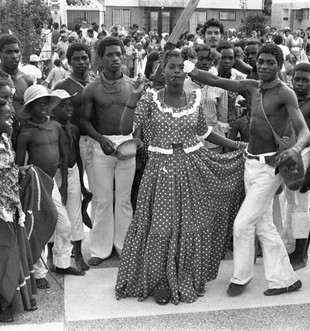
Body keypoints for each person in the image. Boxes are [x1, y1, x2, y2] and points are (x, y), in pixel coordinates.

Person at [115, 50, 246, 304]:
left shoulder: (195, 98)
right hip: (160, 172)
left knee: (189, 225)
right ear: (162, 71)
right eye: (171, 67)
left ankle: (184, 275)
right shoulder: (150, 98)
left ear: (186, 71)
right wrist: (133, 96)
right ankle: (161, 280)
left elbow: (203, 132)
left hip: (191, 168)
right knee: (162, 227)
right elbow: (124, 129)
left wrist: (233, 145)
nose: (176, 71)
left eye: (179, 67)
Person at [185, 43, 310, 296]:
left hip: (271, 167)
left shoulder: (285, 93)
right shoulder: (252, 86)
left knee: (242, 224)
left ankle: (240, 278)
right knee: (263, 225)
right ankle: (284, 279)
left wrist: (296, 149)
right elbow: (216, 80)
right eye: (260, 62)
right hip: (250, 162)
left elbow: (304, 131)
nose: (263, 66)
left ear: (279, 65)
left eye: (270, 63)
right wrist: (187, 66)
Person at [15, 85, 85, 289]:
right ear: (30, 108)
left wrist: (62, 185)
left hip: (52, 182)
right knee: (39, 226)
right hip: (36, 183)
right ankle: (38, 273)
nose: (44, 107)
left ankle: (62, 263)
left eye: (46, 103)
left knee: (64, 224)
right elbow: (20, 165)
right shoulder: (26, 133)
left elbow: (63, 156)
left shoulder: (55, 127)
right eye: (38, 104)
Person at [0, 96, 38, 322]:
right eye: (6, 117)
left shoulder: (4, 139)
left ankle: (13, 298)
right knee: (0, 257)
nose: (11, 120)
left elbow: (7, 170)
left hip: (12, 208)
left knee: (13, 254)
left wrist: (20, 171)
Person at [80, 37, 136, 266]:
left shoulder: (133, 85)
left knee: (123, 200)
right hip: (101, 146)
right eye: (110, 55)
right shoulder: (91, 88)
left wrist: (136, 143)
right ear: (101, 58)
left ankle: (124, 247)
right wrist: (100, 139)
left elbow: (139, 118)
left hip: (127, 145)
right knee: (102, 200)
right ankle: (100, 250)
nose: (115, 58)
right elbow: (84, 122)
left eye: (118, 54)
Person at [284, 63, 310, 270]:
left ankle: (301, 253)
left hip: (304, 158)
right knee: (290, 205)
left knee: (300, 207)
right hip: (287, 157)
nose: (300, 83)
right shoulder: (288, 101)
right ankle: (291, 246)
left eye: (305, 80)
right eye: (297, 79)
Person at [53, 43, 95, 222]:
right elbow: (54, 114)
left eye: (84, 58)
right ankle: (72, 238)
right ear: (69, 62)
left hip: (96, 140)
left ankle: (97, 236)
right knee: (73, 187)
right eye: (76, 59)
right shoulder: (63, 85)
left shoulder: (96, 83)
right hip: (73, 141)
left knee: (98, 188)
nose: (81, 62)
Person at [51, 89, 90, 271]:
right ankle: (54, 255)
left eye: (69, 105)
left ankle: (78, 253)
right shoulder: (51, 128)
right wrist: (62, 184)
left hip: (73, 172)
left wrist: (81, 183)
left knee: (74, 212)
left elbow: (77, 156)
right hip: (56, 174)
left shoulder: (74, 129)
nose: (68, 109)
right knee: (55, 215)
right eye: (63, 106)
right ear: (53, 109)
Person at [184, 43, 229, 153]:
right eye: (200, 58)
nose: (205, 62)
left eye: (208, 59)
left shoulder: (220, 86)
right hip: (188, 140)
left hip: (213, 143)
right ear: (192, 60)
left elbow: (222, 120)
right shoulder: (183, 85)